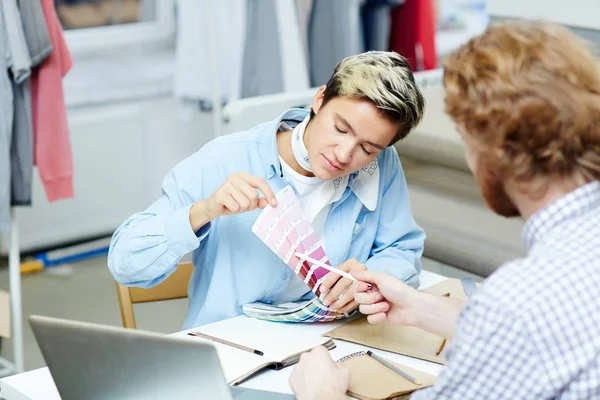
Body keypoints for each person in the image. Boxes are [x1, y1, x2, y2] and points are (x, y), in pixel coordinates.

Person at [289, 20, 600, 399]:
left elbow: (520, 324)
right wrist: (422, 309)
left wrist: (321, 395)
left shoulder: (520, 300)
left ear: (492, 152)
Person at [107, 51, 426, 329]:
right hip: (232, 351)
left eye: (368, 148)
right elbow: (124, 264)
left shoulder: (382, 165)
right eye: (340, 128)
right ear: (319, 99)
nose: (344, 154)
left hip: (328, 341)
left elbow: (402, 250)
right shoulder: (226, 158)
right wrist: (204, 211)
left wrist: (366, 280)